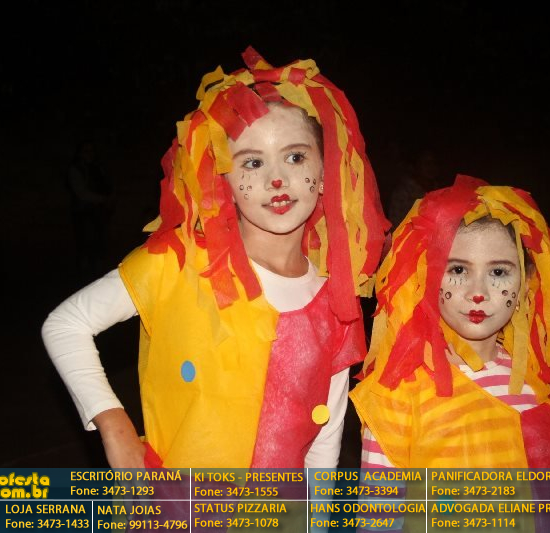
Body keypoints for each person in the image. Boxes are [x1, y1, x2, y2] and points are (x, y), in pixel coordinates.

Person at [42, 48, 388, 469]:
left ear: (325, 172)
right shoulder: (180, 264)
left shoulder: (334, 303)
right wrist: (114, 426)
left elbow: (324, 441)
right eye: (252, 162)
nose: (276, 179)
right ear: (224, 180)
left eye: (295, 157)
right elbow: (66, 325)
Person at [351, 175, 550, 469]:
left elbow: (545, 491)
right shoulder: (398, 393)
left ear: (525, 285)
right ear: (427, 278)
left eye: (498, 273)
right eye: (458, 269)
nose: (478, 293)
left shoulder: (534, 384)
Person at [66, 140, 115, 280]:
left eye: (91, 151)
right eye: (86, 151)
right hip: (83, 213)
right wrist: (103, 199)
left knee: (99, 243)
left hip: (98, 213)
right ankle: (83, 278)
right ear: (80, 153)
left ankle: (98, 274)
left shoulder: (97, 168)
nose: (89, 154)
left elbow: (106, 185)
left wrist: (108, 199)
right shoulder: (75, 169)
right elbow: (81, 193)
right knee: (85, 244)